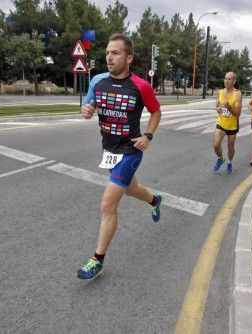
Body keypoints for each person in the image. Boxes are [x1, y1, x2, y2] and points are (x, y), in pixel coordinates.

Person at [77, 33, 162, 281]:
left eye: (115, 53)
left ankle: (97, 259)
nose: (109, 57)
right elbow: (86, 108)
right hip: (109, 150)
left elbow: (156, 112)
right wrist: (86, 110)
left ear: (129, 57)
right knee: (131, 188)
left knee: (108, 204)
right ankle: (155, 200)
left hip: (131, 150)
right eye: (107, 53)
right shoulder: (98, 81)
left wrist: (148, 136)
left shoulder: (141, 86)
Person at [212, 72, 243, 174]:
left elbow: (238, 114)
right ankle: (220, 159)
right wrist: (219, 109)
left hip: (232, 125)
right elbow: (217, 107)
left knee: (230, 147)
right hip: (221, 122)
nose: (226, 81)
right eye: (225, 78)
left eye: (229, 79)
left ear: (234, 81)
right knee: (216, 144)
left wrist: (229, 107)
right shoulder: (220, 92)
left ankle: (229, 162)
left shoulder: (237, 94)